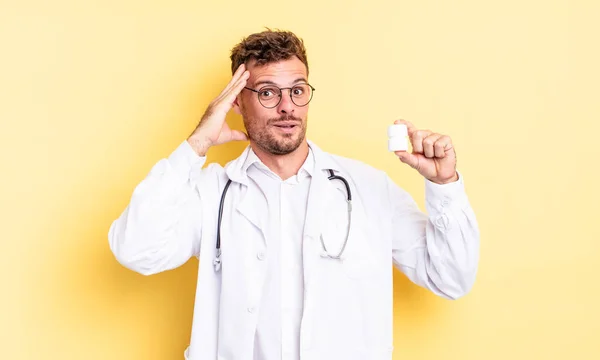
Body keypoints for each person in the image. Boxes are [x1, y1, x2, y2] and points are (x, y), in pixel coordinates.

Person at [108, 29, 480, 360]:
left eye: (298, 91)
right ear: (236, 102)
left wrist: (444, 186)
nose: (287, 107)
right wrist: (196, 145)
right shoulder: (211, 193)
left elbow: (450, 278)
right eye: (268, 92)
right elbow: (136, 250)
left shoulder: (368, 189)